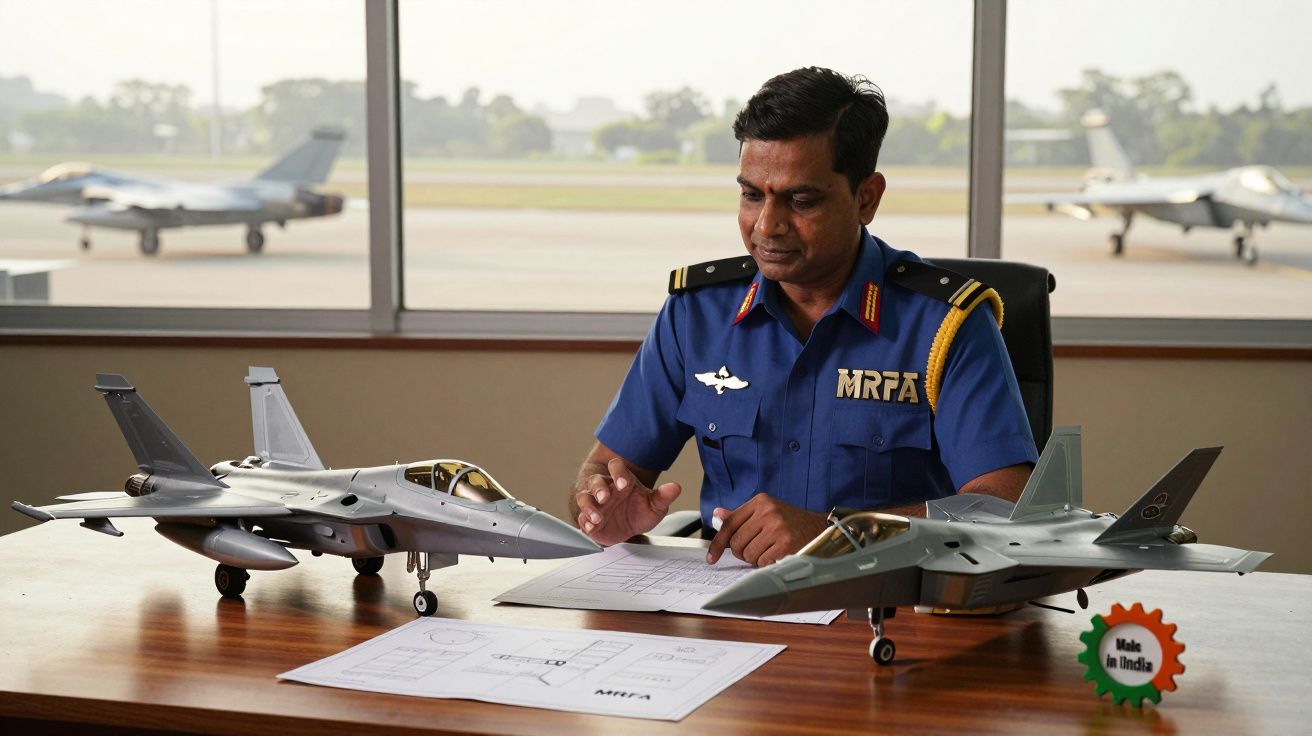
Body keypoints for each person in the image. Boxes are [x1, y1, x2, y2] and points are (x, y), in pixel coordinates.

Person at [570, 67, 1038, 568]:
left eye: (801, 200)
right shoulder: (697, 313)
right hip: (726, 608)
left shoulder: (945, 323)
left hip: (886, 607)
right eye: (752, 195)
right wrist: (604, 509)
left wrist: (840, 536)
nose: (767, 226)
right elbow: (606, 467)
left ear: (866, 198)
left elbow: (1003, 507)